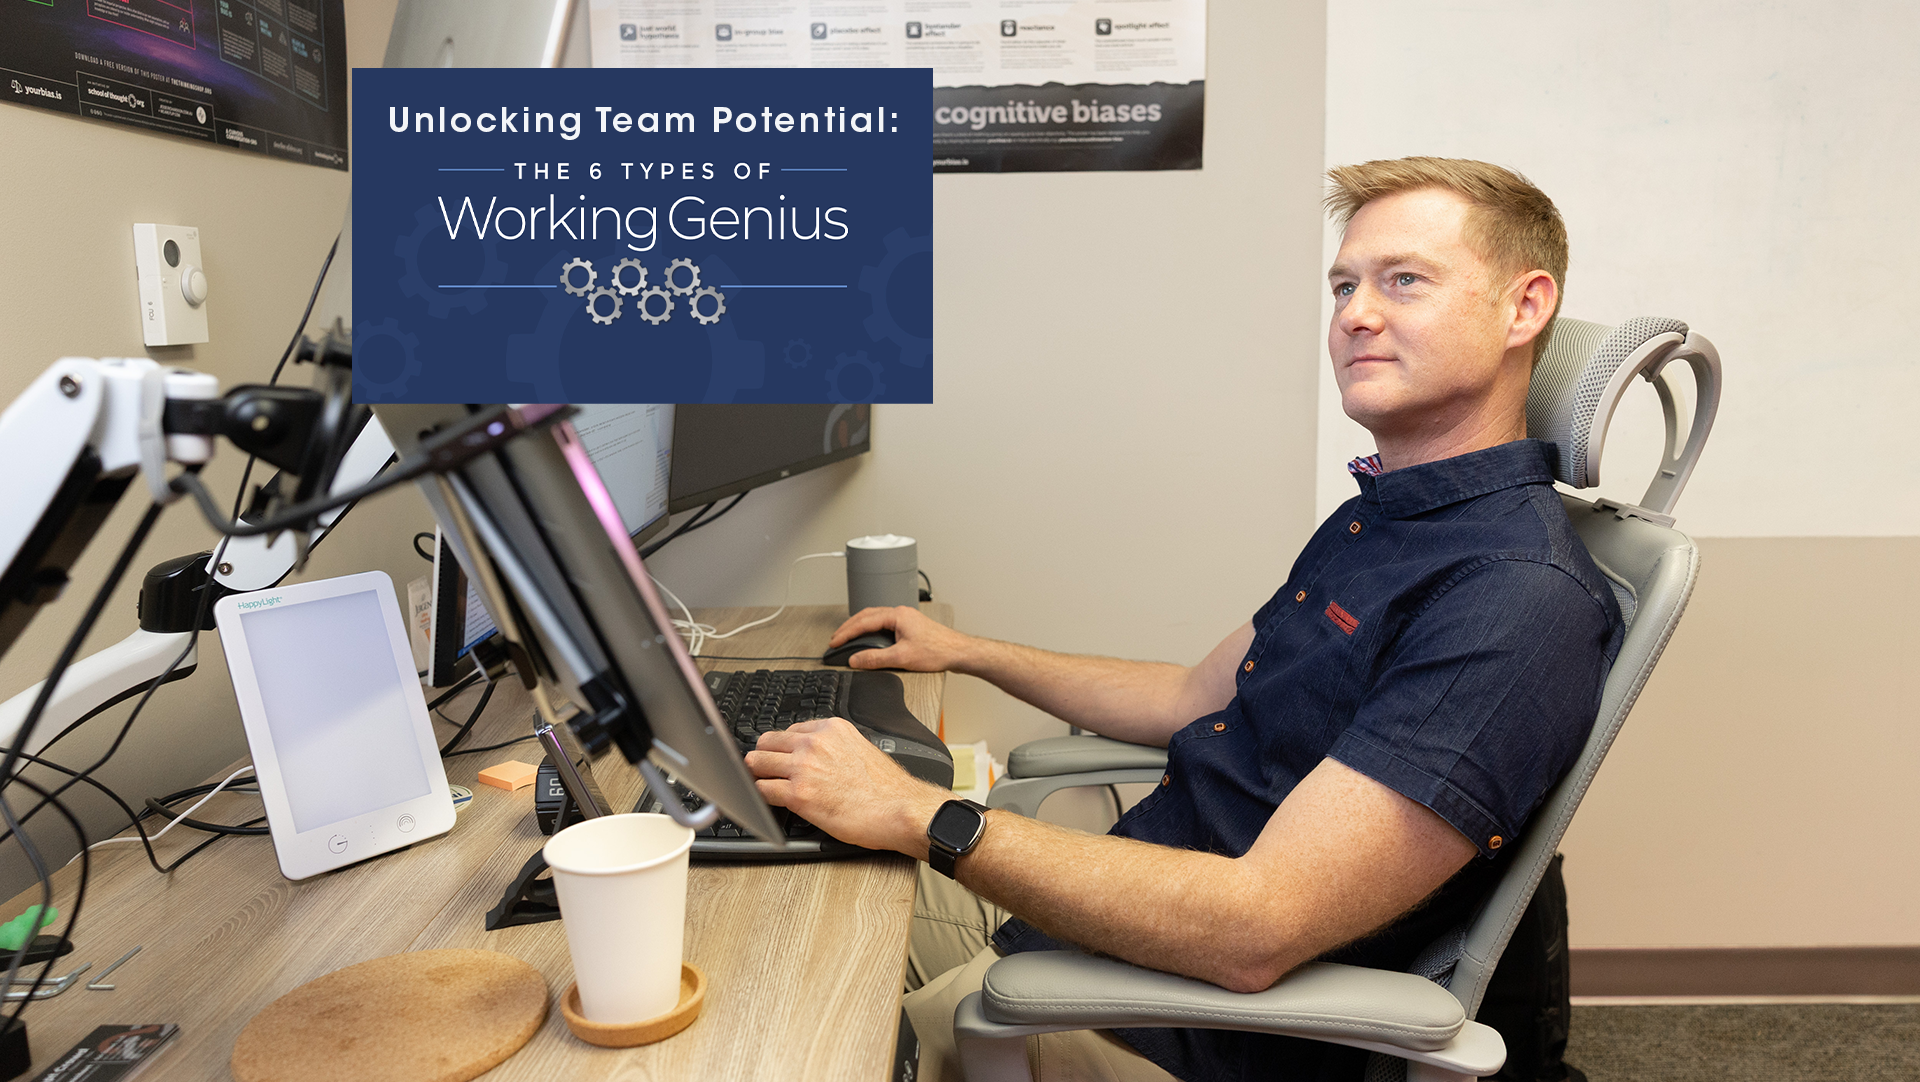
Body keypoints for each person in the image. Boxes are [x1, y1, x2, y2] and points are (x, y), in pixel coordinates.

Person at [745, 158, 1624, 1082]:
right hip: (1111, 924)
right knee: (787, 873)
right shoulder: (1390, 516)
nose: (1355, 314)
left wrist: (919, 809)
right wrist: (965, 652)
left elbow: (1257, 925)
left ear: (1524, 309)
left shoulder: (1514, 596)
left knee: (780, 1002)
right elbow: (1185, 696)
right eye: (1344, 285)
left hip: (1170, 1025)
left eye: (1405, 280)